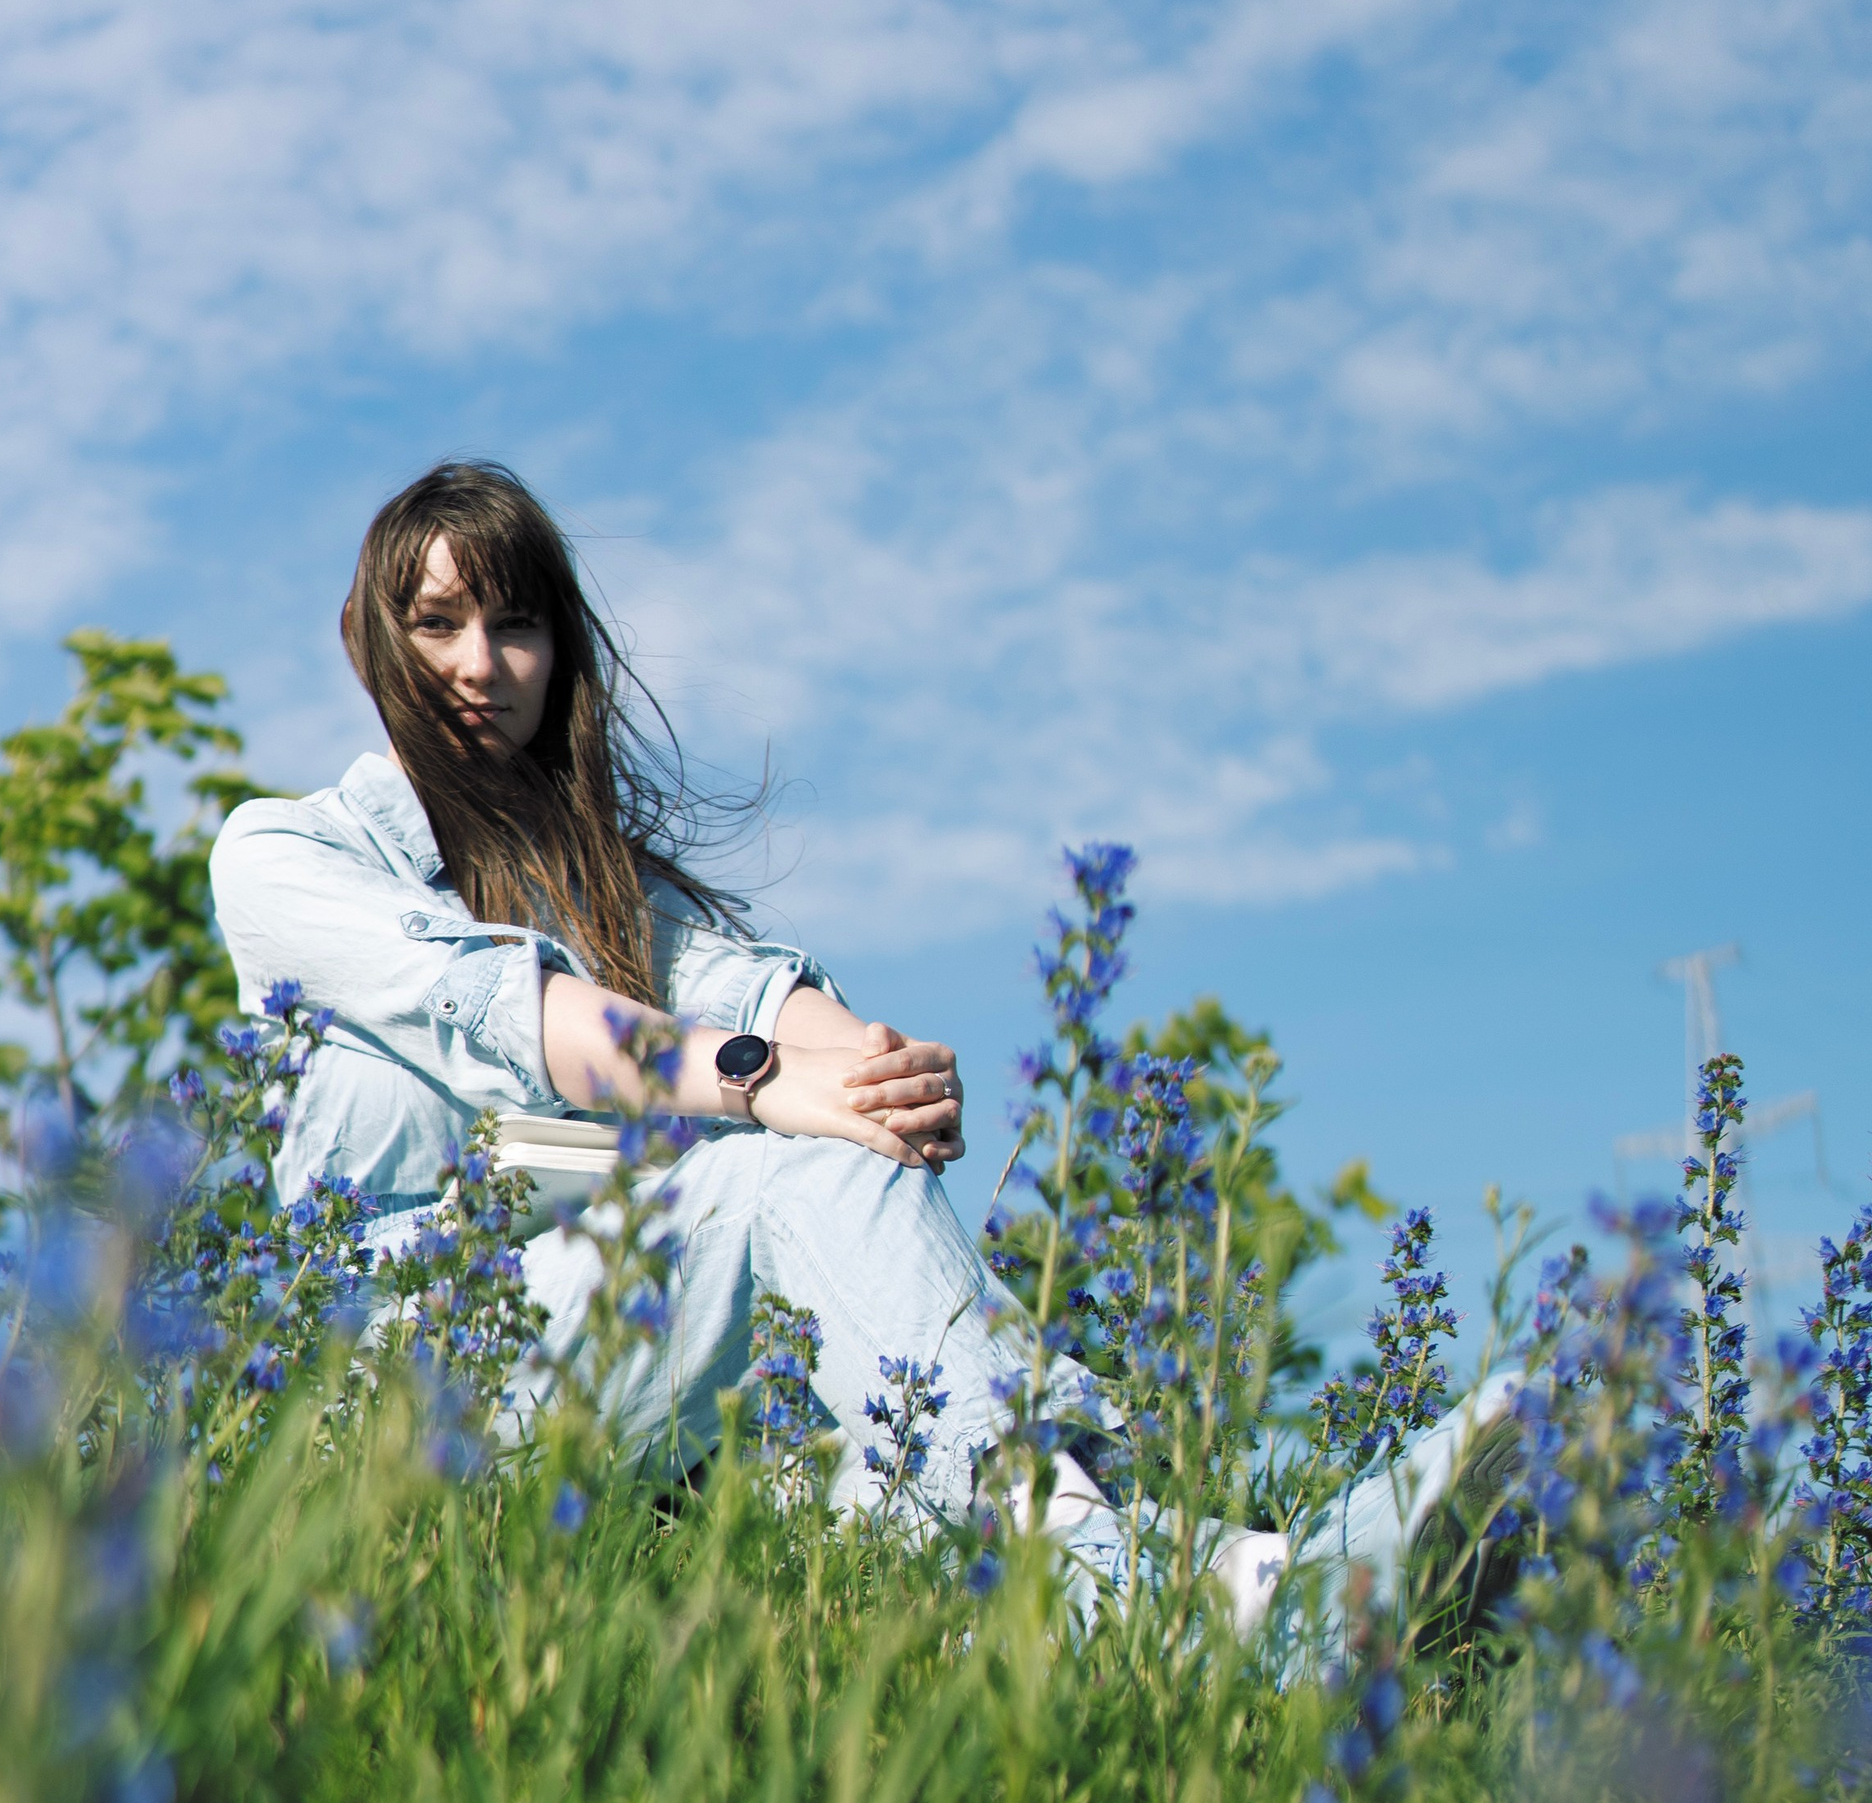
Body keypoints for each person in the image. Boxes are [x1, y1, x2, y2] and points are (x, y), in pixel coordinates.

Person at [207, 458, 1494, 1630]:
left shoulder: (602, 890)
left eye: (515, 624)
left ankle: (1289, 1590)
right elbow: (514, 1012)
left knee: (875, 1467)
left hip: (623, 1364)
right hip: (418, 1382)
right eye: (437, 625)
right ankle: (1171, 1573)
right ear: (371, 643)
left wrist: (870, 1070)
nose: (480, 662)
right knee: (794, 1164)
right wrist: (770, 1091)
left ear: (558, 656)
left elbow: (750, 990)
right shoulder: (285, 859)